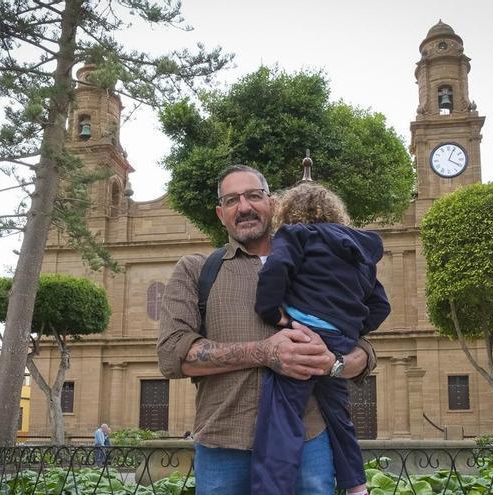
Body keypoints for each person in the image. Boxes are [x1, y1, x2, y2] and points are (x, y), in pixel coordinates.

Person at [157, 165, 377, 495]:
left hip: (308, 441)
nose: (244, 206)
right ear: (220, 214)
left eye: (254, 195)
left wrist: (334, 363)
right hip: (223, 443)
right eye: (231, 200)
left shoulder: (318, 260)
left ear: (272, 203)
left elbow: (363, 347)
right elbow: (172, 355)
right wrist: (265, 352)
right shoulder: (197, 270)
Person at [252, 183, 389, 495]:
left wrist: (272, 313)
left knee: (281, 418)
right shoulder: (360, 253)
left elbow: (276, 269)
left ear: (288, 212)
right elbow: (381, 305)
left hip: (303, 337)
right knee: (340, 419)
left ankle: (271, 489)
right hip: (339, 344)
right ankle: (357, 487)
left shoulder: (295, 235)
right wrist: (349, 330)